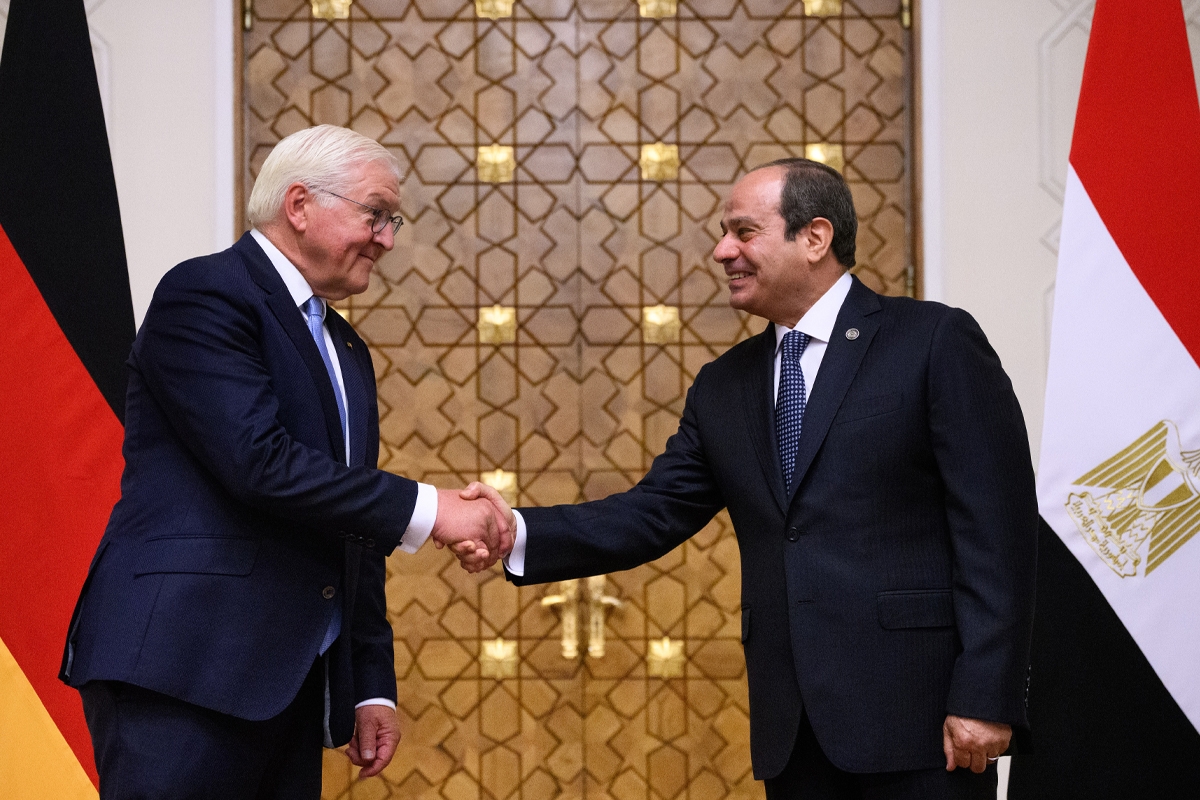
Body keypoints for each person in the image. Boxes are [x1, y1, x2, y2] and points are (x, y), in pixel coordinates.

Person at [469, 159, 1038, 799]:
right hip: (794, 733)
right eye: (724, 233)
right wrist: (513, 530)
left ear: (815, 237)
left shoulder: (932, 341)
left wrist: (986, 694)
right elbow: (651, 512)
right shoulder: (726, 384)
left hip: (924, 724)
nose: (722, 251)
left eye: (744, 232)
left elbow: (999, 532)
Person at [60, 125, 511, 799]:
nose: (387, 239)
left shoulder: (344, 348)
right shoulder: (207, 293)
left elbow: (350, 513)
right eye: (376, 214)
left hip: (288, 682)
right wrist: (433, 509)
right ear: (300, 205)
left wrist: (370, 683)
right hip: (184, 668)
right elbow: (259, 462)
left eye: (392, 221)